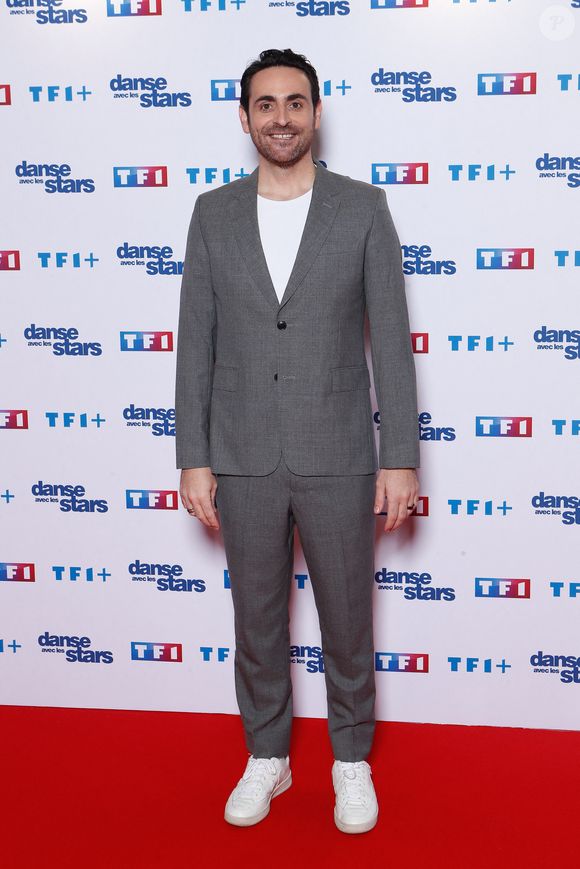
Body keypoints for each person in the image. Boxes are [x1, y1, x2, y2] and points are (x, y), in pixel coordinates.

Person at [175, 48, 420, 835]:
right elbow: (195, 342)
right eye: (265, 104)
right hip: (241, 452)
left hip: (339, 451)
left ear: (317, 112)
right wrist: (193, 456)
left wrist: (400, 457)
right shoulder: (212, 212)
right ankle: (268, 754)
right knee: (256, 622)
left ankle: (350, 760)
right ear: (244, 118)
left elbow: (392, 340)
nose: (281, 117)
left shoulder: (363, 207)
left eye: (295, 102)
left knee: (347, 619)